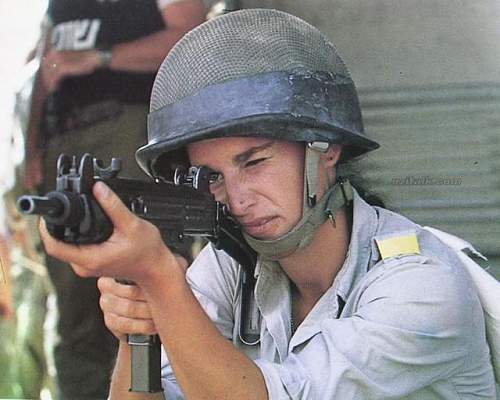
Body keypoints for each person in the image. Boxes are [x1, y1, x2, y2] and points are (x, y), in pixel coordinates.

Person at [40, 9, 497, 400]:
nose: (236, 200)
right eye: (212, 177)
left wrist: (160, 277)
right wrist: (139, 330)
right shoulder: (229, 269)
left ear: (325, 149)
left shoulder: (419, 281)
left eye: (255, 162)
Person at [24, 1, 206, 399]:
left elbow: (191, 41)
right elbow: (46, 69)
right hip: (63, 146)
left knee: (150, 294)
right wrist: (32, 150)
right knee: (77, 312)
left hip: (130, 138)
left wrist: (100, 57)